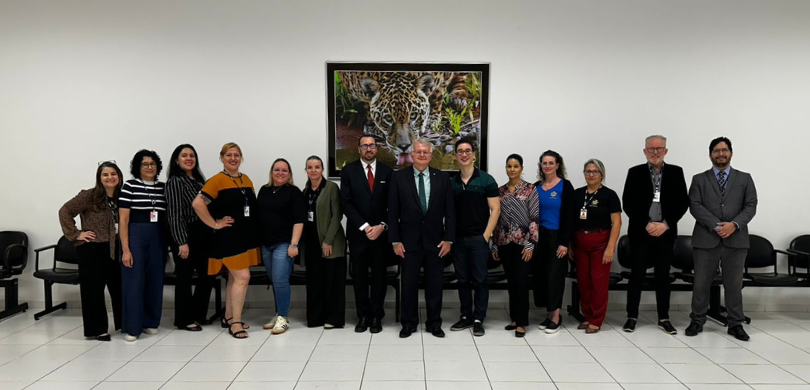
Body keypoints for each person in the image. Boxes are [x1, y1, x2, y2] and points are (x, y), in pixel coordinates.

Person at [686, 137, 757, 341]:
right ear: (710, 155)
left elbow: (751, 205)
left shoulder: (745, 178)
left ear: (731, 153)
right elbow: (695, 205)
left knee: (734, 285)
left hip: (736, 239)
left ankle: (735, 324)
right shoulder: (699, 179)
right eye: (716, 151)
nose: (721, 154)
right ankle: (697, 320)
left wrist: (733, 225)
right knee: (701, 283)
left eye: (724, 150)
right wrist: (717, 225)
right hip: (706, 238)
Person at [192, 142, 261, 339]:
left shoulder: (245, 179)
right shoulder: (216, 181)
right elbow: (198, 203)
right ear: (222, 158)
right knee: (243, 277)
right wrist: (214, 224)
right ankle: (236, 324)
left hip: (245, 237)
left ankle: (229, 317)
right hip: (228, 238)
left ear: (241, 158)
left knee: (233, 278)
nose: (233, 158)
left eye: (236, 155)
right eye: (229, 155)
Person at [621, 135, 689, 334]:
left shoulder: (676, 172)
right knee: (637, 276)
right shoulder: (635, 172)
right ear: (644, 151)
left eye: (659, 148)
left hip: (666, 233)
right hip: (641, 233)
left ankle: (664, 318)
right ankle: (631, 317)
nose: (655, 152)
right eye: (651, 149)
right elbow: (628, 203)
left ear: (666, 151)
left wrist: (666, 224)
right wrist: (648, 224)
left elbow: (682, 202)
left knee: (662, 276)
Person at [389, 138, 455, 338]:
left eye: (425, 152)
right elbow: (392, 212)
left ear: (431, 155)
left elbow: (450, 212)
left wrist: (449, 239)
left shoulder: (442, 178)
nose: (422, 155)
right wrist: (395, 240)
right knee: (408, 284)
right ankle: (408, 323)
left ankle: (434, 323)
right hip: (408, 242)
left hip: (436, 241)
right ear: (411, 154)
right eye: (418, 152)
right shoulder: (399, 178)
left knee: (435, 284)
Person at [58, 161, 124, 341]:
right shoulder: (89, 196)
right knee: (93, 291)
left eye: (113, 174)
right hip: (92, 249)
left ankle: (124, 324)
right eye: (105, 174)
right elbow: (65, 211)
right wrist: (76, 234)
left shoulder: (123, 196)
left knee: (120, 288)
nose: (110, 177)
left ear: (119, 176)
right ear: (99, 178)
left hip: (117, 247)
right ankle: (98, 329)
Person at [340, 135, 394, 333]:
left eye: (372, 145)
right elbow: (346, 203)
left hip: (381, 235)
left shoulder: (388, 172)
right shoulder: (348, 171)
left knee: (380, 277)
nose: (369, 149)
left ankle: (377, 316)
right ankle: (362, 316)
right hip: (358, 235)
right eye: (365, 146)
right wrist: (365, 226)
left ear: (377, 149)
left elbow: (392, 204)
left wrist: (381, 225)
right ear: (359, 149)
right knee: (360, 277)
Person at [448, 138, 500, 337]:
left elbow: (495, 209)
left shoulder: (486, 180)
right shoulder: (451, 183)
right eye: (460, 151)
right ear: (455, 155)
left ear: (474, 154)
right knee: (462, 280)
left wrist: (485, 236)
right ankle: (465, 317)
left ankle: (479, 319)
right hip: (459, 240)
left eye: (467, 150)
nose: (464, 154)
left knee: (480, 280)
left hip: (479, 239)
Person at [119, 150, 168, 342]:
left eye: (153, 164)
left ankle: (151, 322)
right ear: (137, 167)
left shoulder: (163, 187)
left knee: (155, 280)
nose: (150, 167)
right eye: (145, 164)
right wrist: (126, 249)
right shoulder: (130, 186)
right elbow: (123, 220)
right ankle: (133, 326)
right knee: (134, 281)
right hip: (135, 236)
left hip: (158, 237)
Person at [166, 144, 214, 331]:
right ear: (176, 160)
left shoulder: (200, 182)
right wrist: (181, 242)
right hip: (186, 233)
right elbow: (175, 214)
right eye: (184, 155)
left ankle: (198, 314)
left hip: (203, 234)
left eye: (192, 155)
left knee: (207, 274)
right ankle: (184, 319)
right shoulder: (175, 182)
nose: (188, 158)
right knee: (184, 277)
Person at [571, 159, 622, 334]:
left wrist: (610, 247)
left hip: (601, 243)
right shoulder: (577, 194)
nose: (591, 175)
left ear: (602, 174)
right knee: (584, 282)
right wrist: (570, 244)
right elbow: (571, 221)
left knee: (598, 283)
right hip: (579, 242)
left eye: (595, 171)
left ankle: (597, 319)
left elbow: (617, 223)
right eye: (588, 171)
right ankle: (587, 315)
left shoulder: (609, 195)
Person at [256, 158, 306, 335]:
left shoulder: (294, 192)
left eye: (284, 170)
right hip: (266, 244)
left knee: (280, 280)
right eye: (277, 170)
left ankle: (283, 318)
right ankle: (278, 314)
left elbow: (299, 220)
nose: (280, 173)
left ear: (290, 174)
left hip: (284, 245)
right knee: (274, 280)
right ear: (271, 172)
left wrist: (294, 244)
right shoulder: (264, 190)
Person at [492, 154, 539, 338]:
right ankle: (514, 318)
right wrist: (495, 245)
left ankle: (522, 322)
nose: (512, 169)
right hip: (504, 243)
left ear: (521, 168)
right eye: (509, 166)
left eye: (516, 166)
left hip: (522, 244)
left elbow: (535, 218)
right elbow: (495, 219)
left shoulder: (530, 189)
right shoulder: (500, 191)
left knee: (521, 282)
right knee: (511, 282)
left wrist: (530, 245)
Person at [531, 150, 575, 334]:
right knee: (541, 276)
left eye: (551, 163)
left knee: (555, 276)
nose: (547, 166)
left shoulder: (565, 186)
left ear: (558, 165)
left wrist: (565, 242)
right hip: (538, 238)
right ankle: (549, 314)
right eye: (544, 163)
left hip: (557, 238)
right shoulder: (535, 186)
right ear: (540, 166)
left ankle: (556, 316)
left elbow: (569, 216)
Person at [301, 155, 347, 329]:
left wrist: (327, 241)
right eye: (310, 167)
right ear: (305, 170)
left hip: (331, 243)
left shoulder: (331, 188)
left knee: (332, 283)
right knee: (315, 283)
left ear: (322, 169)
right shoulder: (305, 190)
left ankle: (333, 319)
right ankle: (315, 318)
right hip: (312, 243)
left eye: (317, 167)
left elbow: (337, 216)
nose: (313, 170)